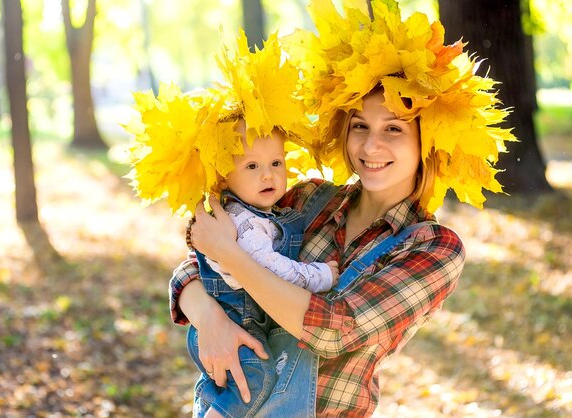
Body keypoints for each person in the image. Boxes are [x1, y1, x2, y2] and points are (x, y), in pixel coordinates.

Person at [170, 0, 516, 416]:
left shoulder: (433, 249)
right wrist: (210, 322)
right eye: (360, 127)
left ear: (429, 140)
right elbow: (195, 265)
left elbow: (334, 329)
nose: (371, 147)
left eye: (393, 129)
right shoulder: (307, 200)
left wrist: (231, 256)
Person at [125, 30, 340, 417]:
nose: (268, 176)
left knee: (238, 381)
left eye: (276, 164)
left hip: (228, 320)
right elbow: (264, 268)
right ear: (224, 177)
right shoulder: (243, 223)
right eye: (252, 167)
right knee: (250, 380)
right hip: (233, 319)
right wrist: (320, 276)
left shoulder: (259, 212)